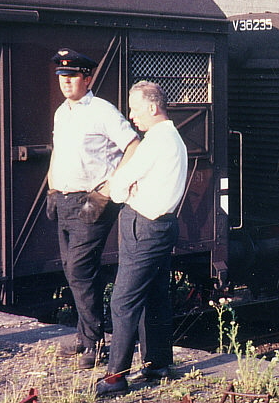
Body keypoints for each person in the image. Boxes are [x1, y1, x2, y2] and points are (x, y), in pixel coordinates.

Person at [47, 49, 139, 369]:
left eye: (72, 76)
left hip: (93, 201)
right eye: (62, 77)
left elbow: (133, 145)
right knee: (74, 271)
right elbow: (59, 153)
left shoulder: (102, 110)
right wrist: (52, 187)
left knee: (80, 270)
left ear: (87, 79)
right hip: (65, 199)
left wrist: (109, 191)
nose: (66, 82)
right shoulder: (62, 112)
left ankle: (95, 344)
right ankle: (86, 337)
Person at [95, 81, 188, 397]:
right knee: (155, 296)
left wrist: (124, 188)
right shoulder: (174, 139)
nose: (132, 116)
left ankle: (115, 377)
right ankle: (158, 364)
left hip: (143, 228)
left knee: (123, 299)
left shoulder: (154, 144)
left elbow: (119, 187)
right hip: (163, 227)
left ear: (152, 107)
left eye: (134, 109)